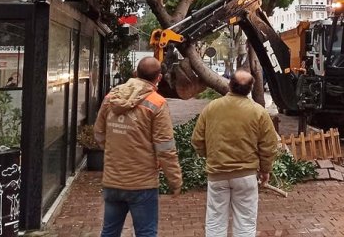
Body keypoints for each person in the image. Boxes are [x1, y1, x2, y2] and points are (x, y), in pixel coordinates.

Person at [94, 57, 182, 237]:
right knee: (146, 233)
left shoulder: (112, 97)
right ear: (159, 77)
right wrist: (175, 180)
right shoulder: (157, 103)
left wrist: (113, 150)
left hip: (113, 179)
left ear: (135, 73)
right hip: (142, 183)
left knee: (109, 232)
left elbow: (99, 132)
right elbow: (165, 148)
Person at [191, 70, 279, 237]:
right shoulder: (258, 112)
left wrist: (210, 156)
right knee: (245, 223)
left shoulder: (212, 108)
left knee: (215, 221)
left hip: (217, 174)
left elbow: (197, 139)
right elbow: (269, 145)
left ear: (230, 84)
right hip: (246, 176)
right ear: (250, 88)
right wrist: (265, 170)